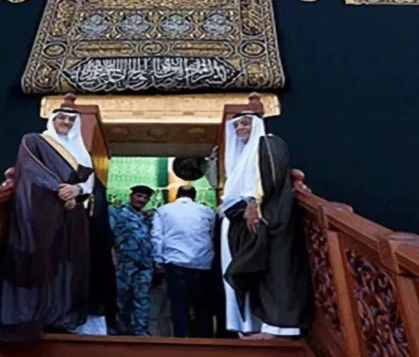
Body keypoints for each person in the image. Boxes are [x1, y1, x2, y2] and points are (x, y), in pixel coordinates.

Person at [0, 94, 113, 341]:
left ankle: (59, 317)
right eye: (62, 118)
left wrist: (77, 190)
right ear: (53, 119)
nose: (66, 123)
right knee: (42, 264)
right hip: (42, 215)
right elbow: (31, 172)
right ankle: (34, 318)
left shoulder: (81, 152)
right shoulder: (35, 141)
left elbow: (89, 183)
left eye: (71, 119)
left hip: (73, 217)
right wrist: (61, 189)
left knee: (68, 268)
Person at [220, 94, 311, 339]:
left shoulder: (269, 144)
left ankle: (279, 329)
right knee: (250, 275)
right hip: (245, 222)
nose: (240, 127)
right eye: (237, 124)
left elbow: (270, 176)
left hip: (268, 220)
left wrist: (253, 203)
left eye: (246, 123)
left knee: (275, 274)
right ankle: (253, 326)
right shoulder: (242, 157)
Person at [151, 184, 216, 338]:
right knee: (202, 305)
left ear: (176, 195)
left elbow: (157, 237)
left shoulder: (163, 210)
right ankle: (204, 340)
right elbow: (211, 235)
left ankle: (182, 340)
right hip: (203, 263)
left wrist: (158, 259)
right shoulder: (207, 211)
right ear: (195, 196)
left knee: (179, 304)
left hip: (176, 263)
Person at [109, 185, 155, 336]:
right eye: (139, 196)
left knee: (142, 300)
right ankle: (119, 331)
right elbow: (108, 238)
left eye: (145, 198)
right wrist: (113, 260)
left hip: (144, 266)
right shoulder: (117, 213)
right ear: (131, 196)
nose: (141, 200)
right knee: (121, 300)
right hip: (123, 265)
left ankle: (140, 332)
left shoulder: (146, 217)